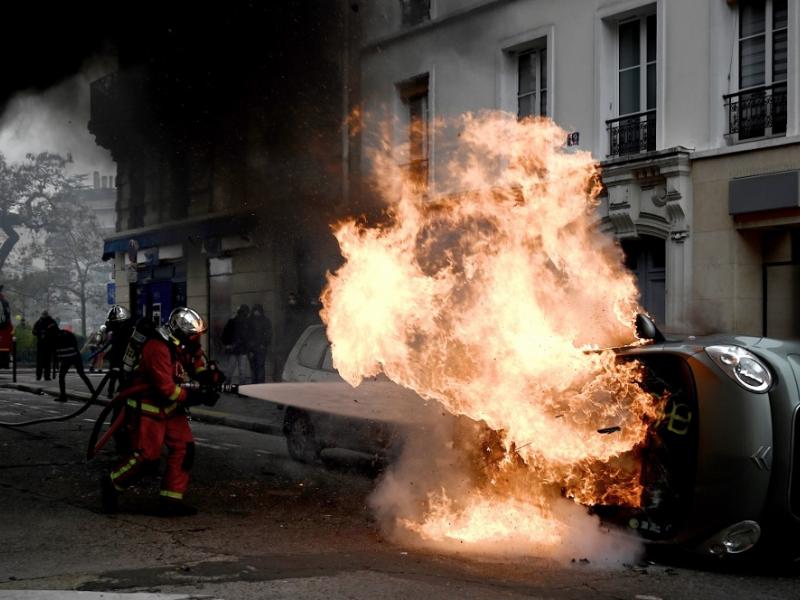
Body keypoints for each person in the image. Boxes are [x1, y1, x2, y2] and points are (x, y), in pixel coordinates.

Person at [101, 307, 219, 517]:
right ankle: (112, 482)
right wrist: (196, 397)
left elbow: (197, 362)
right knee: (147, 458)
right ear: (180, 332)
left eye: (198, 335)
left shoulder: (184, 345)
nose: (197, 339)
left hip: (172, 410)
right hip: (149, 409)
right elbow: (166, 388)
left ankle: (171, 500)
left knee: (185, 450)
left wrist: (209, 378)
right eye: (194, 335)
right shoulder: (157, 347)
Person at [54, 326, 96, 402]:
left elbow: (54, 351)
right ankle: (94, 392)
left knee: (61, 376)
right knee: (82, 374)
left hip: (66, 358)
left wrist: (57, 362)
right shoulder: (67, 333)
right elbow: (75, 343)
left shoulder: (53, 337)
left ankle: (63, 396)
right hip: (75, 356)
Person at [221, 304, 250, 384]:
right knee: (242, 370)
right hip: (241, 349)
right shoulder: (247, 323)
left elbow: (225, 335)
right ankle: (241, 388)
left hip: (233, 349)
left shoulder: (232, 321)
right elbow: (248, 337)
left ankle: (227, 385)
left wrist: (227, 344)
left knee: (230, 370)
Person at [247, 303, 272, 384]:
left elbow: (269, 334)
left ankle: (257, 384)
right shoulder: (264, 320)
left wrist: (263, 344)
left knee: (257, 367)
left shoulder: (250, 320)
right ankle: (257, 384)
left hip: (257, 348)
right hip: (256, 348)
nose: (256, 312)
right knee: (256, 367)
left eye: (257, 310)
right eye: (256, 310)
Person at [32, 310, 57, 381]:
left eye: (45, 314)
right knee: (42, 362)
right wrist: (40, 333)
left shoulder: (50, 322)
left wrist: (46, 333)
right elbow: (33, 331)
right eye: (43, 314)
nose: (44, 315)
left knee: (46, 362)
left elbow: (55, 331)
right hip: (42, 344)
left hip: (47, 344)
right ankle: (40, 376)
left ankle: (45, 376)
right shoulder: (40, 322)